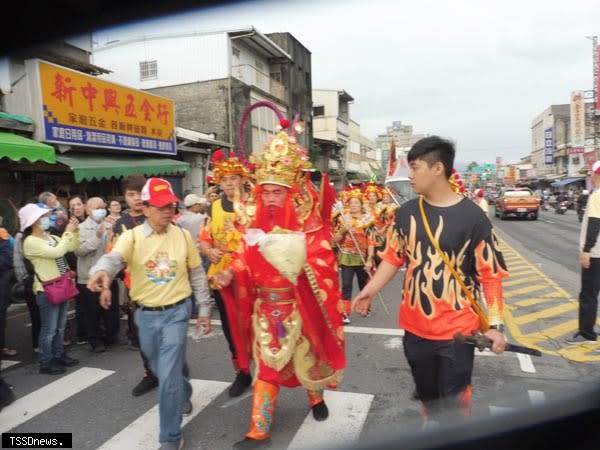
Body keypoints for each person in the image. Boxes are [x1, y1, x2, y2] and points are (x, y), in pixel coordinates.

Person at [352, 136, 508, 427]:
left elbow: (491, 275)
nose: (410, 175)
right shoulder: (407, 213)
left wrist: (496, 326)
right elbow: (392, 258)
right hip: (415, 328)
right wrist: (368, 291)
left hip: (458, 332)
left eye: (415, 167)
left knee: (454, 402)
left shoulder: (474, 218)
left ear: (437, 169)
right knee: (427, 396)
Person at [213, 120, 345, 448]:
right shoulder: (251, 225)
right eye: (266, 191)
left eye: (278, 192)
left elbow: (322, 260)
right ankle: (259, 430)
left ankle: (315, 399)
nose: (271, 198)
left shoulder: (308, 224)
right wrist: (230, 273)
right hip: (265, 309)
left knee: (309, 355)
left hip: (299, 304)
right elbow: (241, 258)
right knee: (267, 367)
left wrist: (293, 251)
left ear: (289, 193)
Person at [87, 178, 211, 450]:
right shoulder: (131, 237)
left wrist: (203, 308)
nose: (168, 210)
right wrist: (102, 271)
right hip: (144, 315)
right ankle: (184, 389)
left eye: (171, 205)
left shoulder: (182, 236)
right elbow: (114, 257)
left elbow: (197, 273)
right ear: (146, 208)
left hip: (176, 313)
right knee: (159, 368)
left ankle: (170, 437)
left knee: (166, 378)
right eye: (161, 206)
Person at [198, 150, 253, 397]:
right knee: (231, 326)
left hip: (249, 272)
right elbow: (204, 238)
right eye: (224, 180)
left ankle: (264, 369)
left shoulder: (253, 204)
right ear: (218, 183)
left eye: (233, 178)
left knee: (255, 323)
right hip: (221, 273)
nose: (229, 183)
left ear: (242, 179)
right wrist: (209, 251)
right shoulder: (215, 207)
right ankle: (242, 371)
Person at [112, 173, 160, 397]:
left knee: (166, 335)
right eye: (131, 194)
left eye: (141, 193)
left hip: (161, 286)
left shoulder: (156, 216)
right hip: (135, 290)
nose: (137, 199)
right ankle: (150, 373)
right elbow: (114, 254)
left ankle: (174, 371)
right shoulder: (120, 224)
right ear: (125, 197)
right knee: (142, 334)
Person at [20, 203, 80, 375]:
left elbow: (71, 247)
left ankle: (59, 355)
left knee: (60, 327)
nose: (47, 219)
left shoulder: (50, 237)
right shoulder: (30, 242)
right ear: (33, 222)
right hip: (47, 289)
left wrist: (74, 232)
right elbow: (57, 253)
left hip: (62, 284)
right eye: (43, 217)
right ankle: (46, 362)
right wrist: (68, 232)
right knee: (49, 329)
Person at [75, 197, 120, 353]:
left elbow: (115, 249)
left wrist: (111, 234)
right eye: (96, 207)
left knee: (112, 310)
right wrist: (97, 236)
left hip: (109, 275)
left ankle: (111, 336)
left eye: (102, 207)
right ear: (88, 210)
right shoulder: (80, 228)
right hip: (88, 277)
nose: (101, 210)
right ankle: (95, 340)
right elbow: (79, 250)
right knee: (91, 312)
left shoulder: (109, 225)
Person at [566, 161, 600, 344]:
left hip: (596, 253)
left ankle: (587, 333)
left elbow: (594, 225)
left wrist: (586, 250)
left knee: (588, 294)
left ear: (596, 175)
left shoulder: (597, 196)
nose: (591, 177)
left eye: (592, 174)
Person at [333, 187, 376, 324]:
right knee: (346, 285)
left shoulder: (367, 220)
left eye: (356, 203)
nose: (353, 206)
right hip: (346, 257)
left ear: (361, 205)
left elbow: (371, 241)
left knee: (363, 285)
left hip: (362, 258)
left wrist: (370, 259)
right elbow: (335, 240)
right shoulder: (343, 219)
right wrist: (343, 230)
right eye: (351, 203)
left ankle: (364, 306)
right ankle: (344, 312)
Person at [177, 193, 208, 320]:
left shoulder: (180, 220)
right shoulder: (200, 218)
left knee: (188, 281)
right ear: (194, 206)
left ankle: (189, 309)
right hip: (199, 251)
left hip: (183, 253)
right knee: (199, 281)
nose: (200, 206)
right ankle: (196, 308)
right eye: (198, 205)